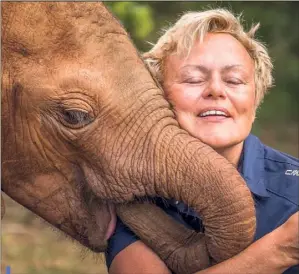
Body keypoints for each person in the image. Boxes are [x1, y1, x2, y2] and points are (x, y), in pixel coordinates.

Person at [105, 9, 299, 274]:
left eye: (234, 80)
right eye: (193, 79)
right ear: (158, 98)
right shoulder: (134, 197)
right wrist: (282, 249)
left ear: (255, 101)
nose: (216, 90)